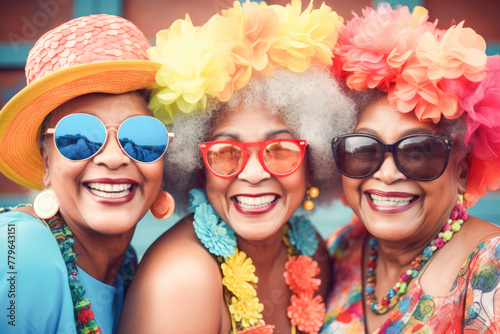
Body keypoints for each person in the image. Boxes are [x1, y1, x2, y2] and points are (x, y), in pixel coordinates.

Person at [117, 1, 356, 333]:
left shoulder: (311, 252)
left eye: (280, 150)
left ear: (313, 166)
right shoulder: (184, 277)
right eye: (226, 152)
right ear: (199, 168)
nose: (254, 173)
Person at [321, 3, 500, 333]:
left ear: (461, 171)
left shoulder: (491, 264)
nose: (387, 174)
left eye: (419, 151)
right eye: (363, 149)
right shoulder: (341, 249)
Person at [0, 14, 175, 333]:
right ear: (46, 160)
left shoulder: (127, 266)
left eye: (141, 137)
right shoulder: (19, 252)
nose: (112, 159)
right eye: (77, 137)